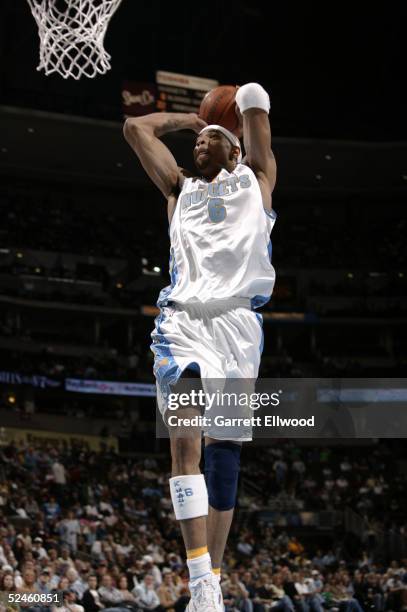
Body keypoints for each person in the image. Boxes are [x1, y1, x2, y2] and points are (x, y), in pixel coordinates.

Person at [124, 81, 277, 612]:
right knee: (184, 441)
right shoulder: (178, 192)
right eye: (197, 142)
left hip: (238, 328)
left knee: (224, 454)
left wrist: (243, 105)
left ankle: (213, 572)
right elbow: (135, 128)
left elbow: (256, 105)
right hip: (183, 323)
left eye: (210, 140)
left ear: (234, 148)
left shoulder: (256, 182)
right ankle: (201, 583)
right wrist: (191, 121)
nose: (199, 146)